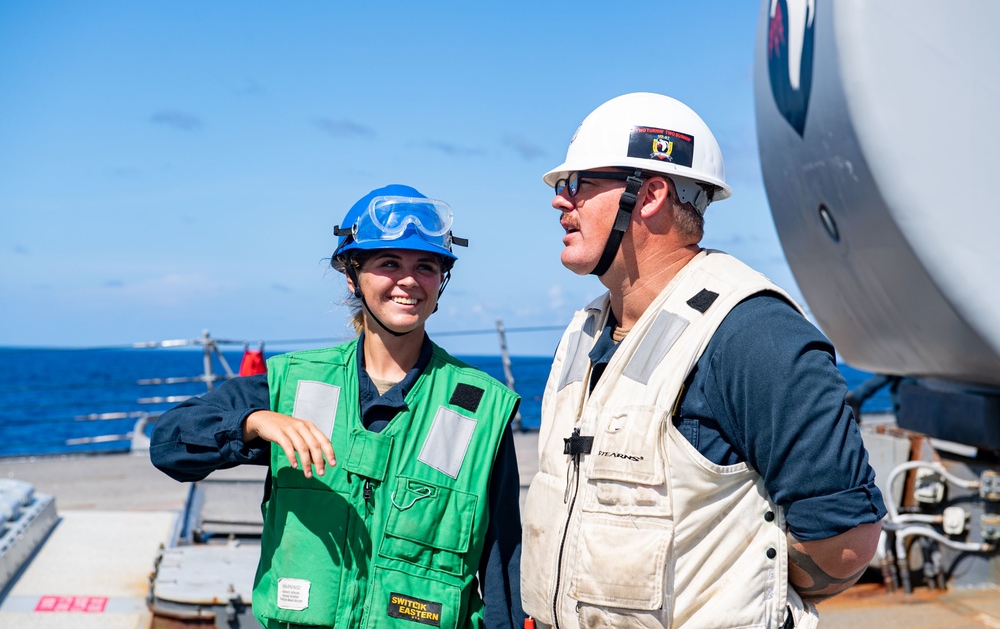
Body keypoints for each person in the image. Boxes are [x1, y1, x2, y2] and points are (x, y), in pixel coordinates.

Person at [520, 93, 886, 629]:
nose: (560, 201)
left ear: (648, 194)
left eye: (578, 183)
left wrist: (738, 587)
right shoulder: (585, 331)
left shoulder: (753, 334)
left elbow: (845, 544)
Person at [150, 184, 526, 629]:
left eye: (425, 266)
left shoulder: (478, 409)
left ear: (440, 281)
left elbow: (503, 569)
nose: (408, 280)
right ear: (352, 276)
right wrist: (254, 422)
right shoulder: (293, 386)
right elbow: (169, 444)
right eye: (389, 262)